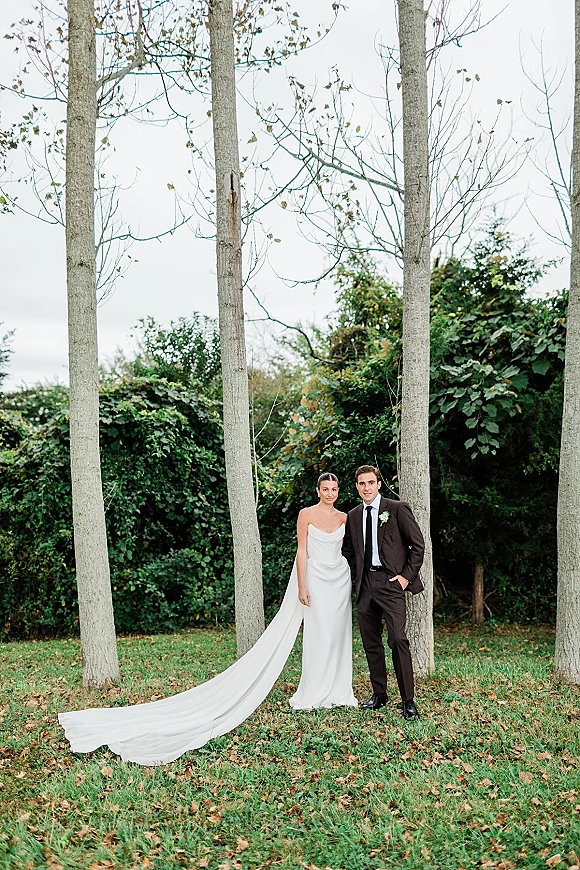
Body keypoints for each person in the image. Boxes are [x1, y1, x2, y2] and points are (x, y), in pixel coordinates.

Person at [59, 473, 356, 766]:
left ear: (338, 491)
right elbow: (302, 551)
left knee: (337, 635)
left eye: (334, 489)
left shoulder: (344, 518)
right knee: (318, 635)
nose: (329, 493)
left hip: (338, 580)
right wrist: (302, 586)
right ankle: (314, 690)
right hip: (314, 580)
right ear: (317, 490)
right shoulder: (306, 514)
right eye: (325, 488)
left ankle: (338, 689)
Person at [342, 464, 425, 721]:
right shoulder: (353, 516)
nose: (366, 487)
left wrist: (405, 578)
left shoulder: (396, 509)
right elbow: (347, 551)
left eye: (370, 482)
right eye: (361, 484)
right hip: (366, 585)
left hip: (391, 584)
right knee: (371, 643)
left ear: (379, 484)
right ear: (357, 487)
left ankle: (408, 700)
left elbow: (418, 545)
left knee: (398, 639)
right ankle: (379, 694)